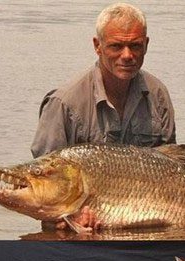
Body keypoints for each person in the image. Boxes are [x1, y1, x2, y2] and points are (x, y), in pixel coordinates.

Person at [31, 2, 176, 159]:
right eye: (116, 46)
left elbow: (174, 160)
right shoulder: (63, 104)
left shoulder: (158, 93)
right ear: (97, 46)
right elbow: (45, 173)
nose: (127, 55)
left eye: (135, 46)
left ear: (146, 45)